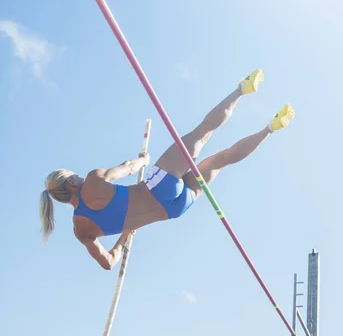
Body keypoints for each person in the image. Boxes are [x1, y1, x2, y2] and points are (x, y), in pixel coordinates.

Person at [40, 70, 294, 270]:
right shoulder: (94, 181)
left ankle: (270, 128)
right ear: (70, 183)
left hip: (174, 209)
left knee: (220, 160)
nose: (79, 176)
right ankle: (242, 89)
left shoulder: (81, 230)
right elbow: (129, 167)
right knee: (203, 132)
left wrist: (124, 236)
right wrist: (143, 159)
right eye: (74, 175)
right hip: (157, 185)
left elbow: (107, 263)